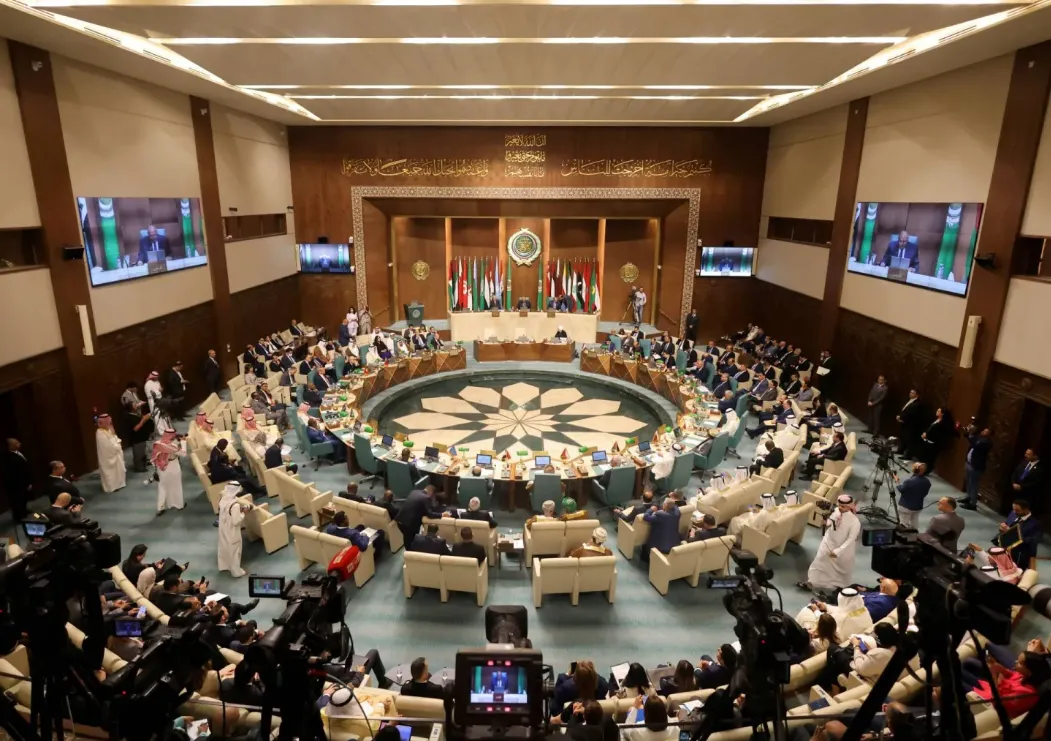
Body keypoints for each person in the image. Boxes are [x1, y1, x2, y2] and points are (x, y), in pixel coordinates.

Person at [959, 651, 1050, 718]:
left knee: (958, 680)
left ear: (1029, 672)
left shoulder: (1025, 694)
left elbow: (997, 702)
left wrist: (994, 676)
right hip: (991, 687)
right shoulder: (1023, 675)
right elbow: (1010, 674)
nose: (1015, 662)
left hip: (988, 701)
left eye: (1019, 663)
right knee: (968, 663)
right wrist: (999, 668)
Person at [798, 494, 860, 593]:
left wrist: (838, 551)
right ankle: (811, 583)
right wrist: (825, 522)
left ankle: (841, 587)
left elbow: (851, 539)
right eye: (839, 505)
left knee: (840, 570)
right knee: (819, 561)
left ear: (849, 507)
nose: (840, 508)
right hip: (828, 542)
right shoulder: (836, 511)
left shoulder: (855, 521)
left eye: (843, 506)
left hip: (843, 549)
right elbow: (830, 523)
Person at [818, 622, 898, 692]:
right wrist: (868, 650)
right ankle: (830, 685)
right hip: (870, 667)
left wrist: (856, 645)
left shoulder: (881, 655)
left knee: (833, 649)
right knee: (839, 654)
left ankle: (831, 687)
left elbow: (860, 667)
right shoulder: (894, 649)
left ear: (879, 639)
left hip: (860, 674)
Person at [217, 483, 250, 577]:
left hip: (223, 527)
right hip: (232, 530)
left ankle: (224, 565)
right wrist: (243, 513)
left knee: (224, 546)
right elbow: (236, 521)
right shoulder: (235, 505)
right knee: (235, 550)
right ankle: (236, 572)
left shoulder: (223, 499)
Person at [997, 499, 1041, 569]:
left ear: (1026, 510)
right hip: (1005, 548)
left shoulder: (1035, 524)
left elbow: (1032, 541)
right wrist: (1002, 527)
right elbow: (1007, 524)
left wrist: (1011, 532)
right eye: (1013, 509)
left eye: (1017, 510)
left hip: (1020, 553)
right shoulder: (1013, 514)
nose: (1014, 512)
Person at [151, 429, 185, 515]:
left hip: (161, 469)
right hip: (173, 466)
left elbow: (154, 459)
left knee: (162, 487)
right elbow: (183, 454)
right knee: (176, 485)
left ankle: (161, 507)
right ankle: (178, 504)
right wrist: (183, 442)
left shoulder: (158, 444)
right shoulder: (173, 445)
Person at [961, 425, 993, 510]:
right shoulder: (979, 438)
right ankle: (968, 497)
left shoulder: (987, 443)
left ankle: (973, 503)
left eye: (986, 432)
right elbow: (968, 437)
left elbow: (974, 444)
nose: (983, 432)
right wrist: (968, 431)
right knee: (968, 482)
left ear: (989, 435)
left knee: (974, 484)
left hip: (976, 466)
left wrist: (971, 434)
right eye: (984, 430)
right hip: (969, 463)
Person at [94, 414, 126, 493]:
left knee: (118, 470)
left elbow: (115, 437)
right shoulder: (100, 433)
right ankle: (112, 487)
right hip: (108, 457)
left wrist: (117, 443)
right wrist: (117, 445)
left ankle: (120, 484)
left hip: (116, 453)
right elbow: (108, 446)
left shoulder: (108, 430)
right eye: (107, 421)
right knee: (110, 472)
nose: (109, 423)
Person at [894, 462, 931, 531]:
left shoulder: (909, 481)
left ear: (915, 470)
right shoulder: (927, 482)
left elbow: (901, 489)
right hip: (918, 507)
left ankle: (903, 534)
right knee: (915, 522)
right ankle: (915, 533)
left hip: (905, 507)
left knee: (903, 524)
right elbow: (925, 493)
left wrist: (897, 481)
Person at [917, 407, 954, 473]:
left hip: (934, 444)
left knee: (930, 459)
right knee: (923, 457)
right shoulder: (937, 420)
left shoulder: (943, 423)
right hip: (927, 441)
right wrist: (925, 434)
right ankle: (920, 469)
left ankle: (926, 471)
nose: (937, 411)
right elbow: (930, 429)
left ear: (942, 414)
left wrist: (927, 436)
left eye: (938, 411)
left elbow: (938, 435)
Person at [4, 438, 32, 522]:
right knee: (17, 500)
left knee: (23, 499)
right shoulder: (9, 458)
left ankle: (23, 511)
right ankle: (19, 517)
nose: (19, 444)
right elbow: (15, 474)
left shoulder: (18, 453)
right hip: (16, 484)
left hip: (23, 482)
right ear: (11, 446)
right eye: (16, 443)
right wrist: (25, 484)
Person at [124, 399, 153, 473]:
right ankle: (139, 467)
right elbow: (135, 428)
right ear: (131, 408)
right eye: (135, 405)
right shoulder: (129, 417)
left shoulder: (135, 414)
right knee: (138, 454)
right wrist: (144, 419)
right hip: (137, 439)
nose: (137, 405)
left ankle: (143, 463)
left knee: (142, 451)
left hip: (142, 437)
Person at [895, 389, 924, 458]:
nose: (910, 394)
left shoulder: (917, 404)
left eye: (913, 393)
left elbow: (912, 414)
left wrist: (903, 419)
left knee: (909, 440)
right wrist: (899, 416)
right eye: (910, 392)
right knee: (902, 437)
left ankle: (908, 455)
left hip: (910, 424)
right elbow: (904, 410)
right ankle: (900, 450)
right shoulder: (908, 400)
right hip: (904, 423)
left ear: (917, 395)